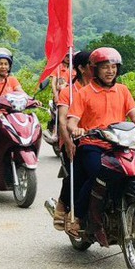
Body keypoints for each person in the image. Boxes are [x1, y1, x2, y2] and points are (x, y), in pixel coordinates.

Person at [66, 47, 135, 238]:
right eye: (105, 67)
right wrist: (76, 129)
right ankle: (79, 216)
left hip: (118, 144)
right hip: (92, 144)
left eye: (114, 67)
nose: (110, 71)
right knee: (98, 173)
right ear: (94, 69)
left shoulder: (123, 90)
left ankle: (129, 202)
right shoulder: (84, 93)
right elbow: (71, 120)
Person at [49, 49, 91, 230]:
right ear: (82, 68)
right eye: (94, 65)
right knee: (77, 170)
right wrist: (68, 142)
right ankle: (62, 205)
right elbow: (62, 120)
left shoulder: (103, 88)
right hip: (74, 138)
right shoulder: (69, 92)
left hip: (100, 138)